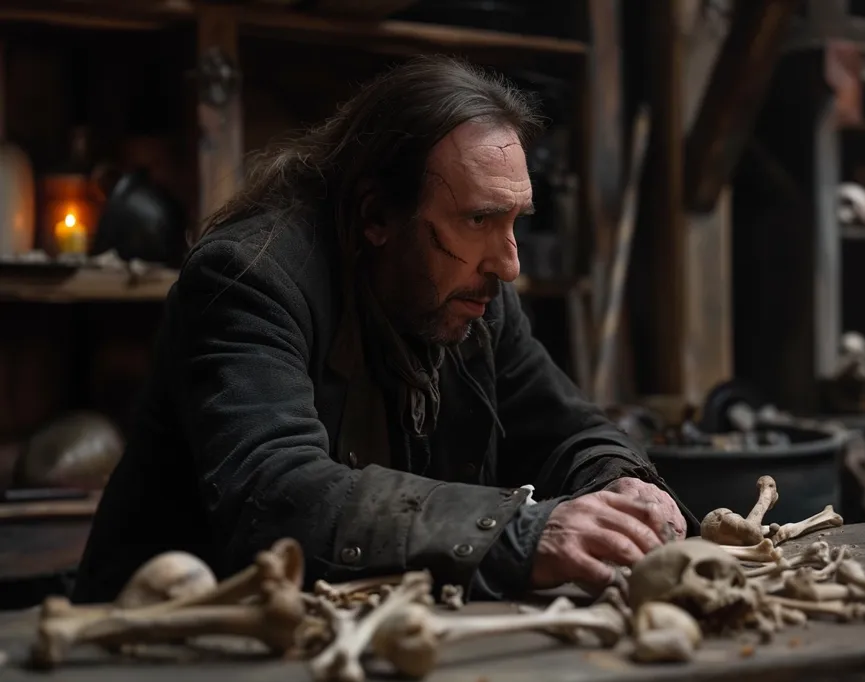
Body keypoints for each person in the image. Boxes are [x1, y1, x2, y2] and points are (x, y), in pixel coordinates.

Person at [72, 55, 697, 604]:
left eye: (514, 221)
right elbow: (277, 496)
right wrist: (520, 532)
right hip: (166, 640)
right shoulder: (249, 280)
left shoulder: (472, 293)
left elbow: (561, 427)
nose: (508, 264)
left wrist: (622, 485)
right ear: (376, 215)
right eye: (479, 219)